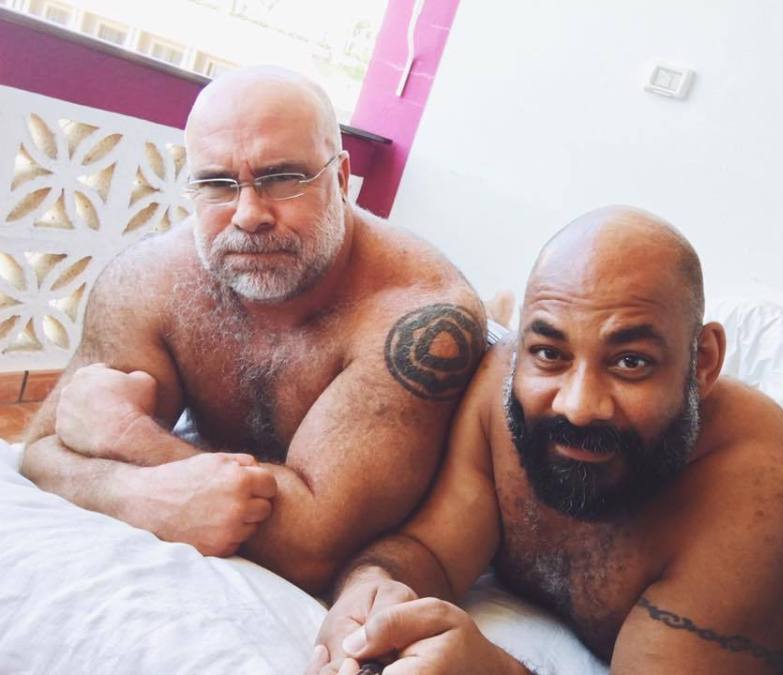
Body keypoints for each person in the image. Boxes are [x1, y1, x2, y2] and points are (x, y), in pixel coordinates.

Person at [20, 67, 485, 595]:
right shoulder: (151, 280)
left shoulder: (420, 318)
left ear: (340, 179)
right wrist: (134, 495)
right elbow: (41, 451)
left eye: (282, 178)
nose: (248, 215)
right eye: (217, 184)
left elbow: (313, 547)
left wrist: (129, 439)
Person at [309, 206, 783, 674]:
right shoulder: (502, 385)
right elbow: (432, 550)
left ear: (703, 362)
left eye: (630, 362)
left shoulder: (761, 497)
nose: (578, 406)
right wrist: (371, 591)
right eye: (550, 353)